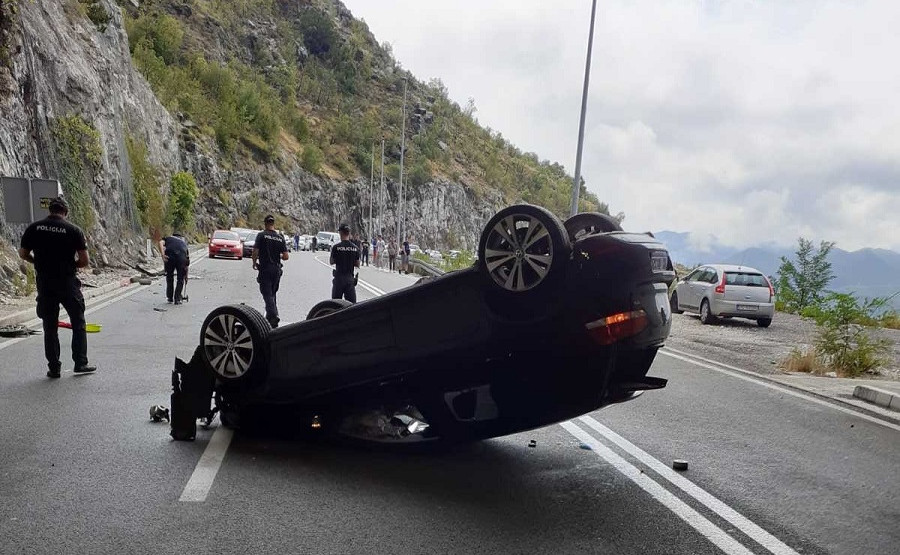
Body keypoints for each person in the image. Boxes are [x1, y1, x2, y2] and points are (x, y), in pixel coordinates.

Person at [18, 197, 96, 378]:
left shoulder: (34, 228)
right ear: (65, 212)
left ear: (50, 210)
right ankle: (80, 363)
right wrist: (70, 265)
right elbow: (84, 260)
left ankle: (54, 368)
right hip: (67, 282)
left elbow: (23, 254)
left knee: (50, 326)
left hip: (45, 283)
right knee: (78, 322)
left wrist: (37, 261)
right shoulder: (74, 230)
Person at [252, 215, 289, 328]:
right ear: (273, 224)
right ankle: (271, 318)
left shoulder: (261, 235)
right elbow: (286, 256)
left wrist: (254, 262)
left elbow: (255, 251)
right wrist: (279, 256)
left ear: (265, 223)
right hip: (277, 270)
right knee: (273, 293)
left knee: (266, 293)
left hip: (265, 268)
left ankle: (273, 314)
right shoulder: (280, 237)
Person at [330, 223, 360, 303]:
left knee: (335, 305)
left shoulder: (336, 247)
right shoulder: (355, 248)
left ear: (340, 233)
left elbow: (331, 262)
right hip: (349, 279)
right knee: (351, 306)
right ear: (349, 233)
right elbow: (357, 264)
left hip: (339, 279)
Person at [159, 232, 189, 304]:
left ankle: (170, 298)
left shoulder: (168, 238)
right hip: (182, 259)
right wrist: (186, 276)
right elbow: (187, 262)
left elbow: (160, 242)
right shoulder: (184, 244)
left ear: (172, 235)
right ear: (181, 237)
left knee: (169, 276)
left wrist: (162, 254)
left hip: (170, 257)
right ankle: (177, 298)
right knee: (180, 279)